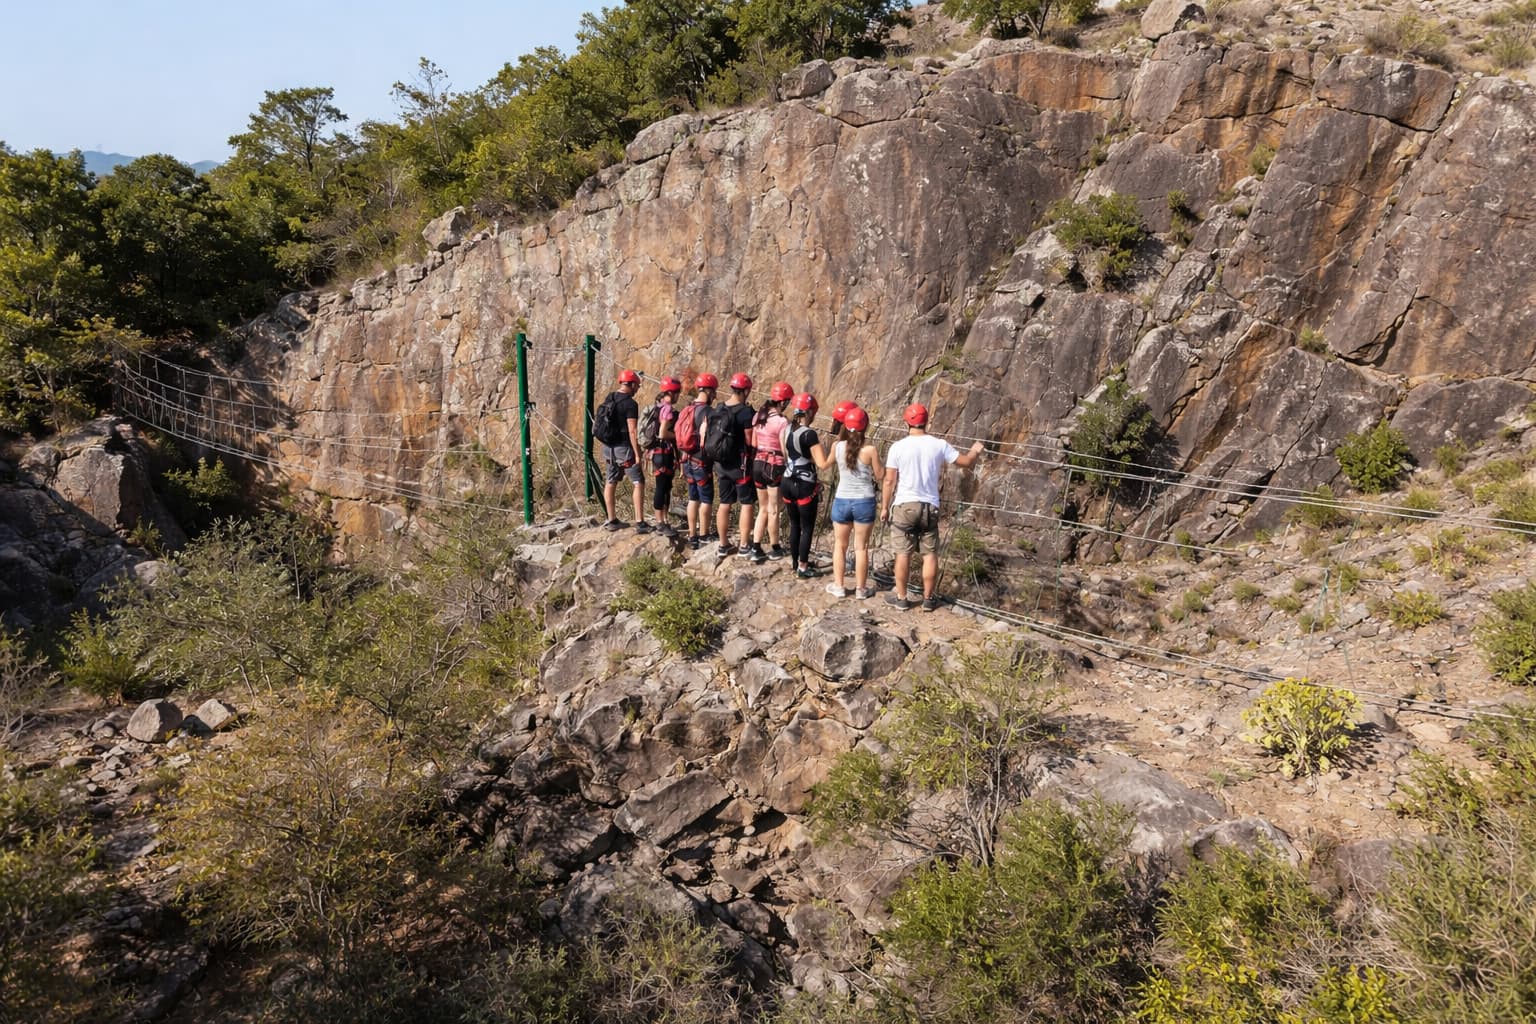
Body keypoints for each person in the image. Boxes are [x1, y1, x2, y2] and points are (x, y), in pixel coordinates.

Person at [881, 402, 984, 610]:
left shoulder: (897, 447)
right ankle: (928, 599)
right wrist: (974, 451)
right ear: (926, 422)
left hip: (904, 505)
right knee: (929, 554)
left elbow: (889, 481)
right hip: (930, 506)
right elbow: (965, 462)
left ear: (906, 422)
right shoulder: (939, 445)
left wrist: (884, 506)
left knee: (903, 553)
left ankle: (901, 598)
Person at [826, 405, 882, 599]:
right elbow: (880, 475)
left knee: (840, 546)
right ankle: (860, 589)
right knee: (861, 548)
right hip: (864, 502)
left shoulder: (837, 446)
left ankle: (839, 586)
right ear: (865, 427)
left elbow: (829, 464)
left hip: (842, 500)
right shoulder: (870, 450)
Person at [780, 392, 834, 579]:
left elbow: (787, 455)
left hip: (787, 480)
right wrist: (835, 451)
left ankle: (795, 561)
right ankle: (803, 567)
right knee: (807, 526)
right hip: (804, 484)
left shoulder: (787, 429)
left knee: (795, 524)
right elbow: (823, 463)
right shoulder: (809, 434)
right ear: (809, 412)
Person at [711, 372, 757, 558]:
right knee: (747, 503)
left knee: (724, 503)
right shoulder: (745, 412)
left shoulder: (719, 408)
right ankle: (744, 544)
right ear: (745, 390)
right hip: (741, 466)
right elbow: (749, 440)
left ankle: (723, 545)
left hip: (721, 465)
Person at [748, 381, 793, 563]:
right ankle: (775, 546)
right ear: (782, 402)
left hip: (758, 463)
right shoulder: (782, 422)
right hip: (774, 465)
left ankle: (756, 546)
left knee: (763, 507)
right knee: (774, 509)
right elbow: (784, 448)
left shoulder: (759, 417)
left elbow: (753, 442)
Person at [598, 369, 645, 532]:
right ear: (631, 384)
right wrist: (638, 453)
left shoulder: (609, 397)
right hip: (623, 449)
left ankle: (611, 520)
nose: (637, 389)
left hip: (607, 448)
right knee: (638, 482)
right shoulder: (630, 404)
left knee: (610, 481)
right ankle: (640, 522)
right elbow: (632, 431)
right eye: (637, 386)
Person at [679, 373, 717, 550]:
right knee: (706, 499)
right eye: (714, 391)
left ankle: (692, 535)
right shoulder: (708, 412)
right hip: (701, 461)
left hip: (686, 459)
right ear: (708, 390)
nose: (715, 395)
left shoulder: (688, 408)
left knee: (693, 498)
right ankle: (704, 535)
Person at [646, 376, 683, 536]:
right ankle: (660, 521)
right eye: (677, 393)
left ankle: (664, 520)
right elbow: (662, 433)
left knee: (666, 487)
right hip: (663, 453)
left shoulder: (659, 406)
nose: (678, 396)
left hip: (659, 453)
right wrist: (678, 436)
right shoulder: (667, 409)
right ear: (672, 393)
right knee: (662, 487)